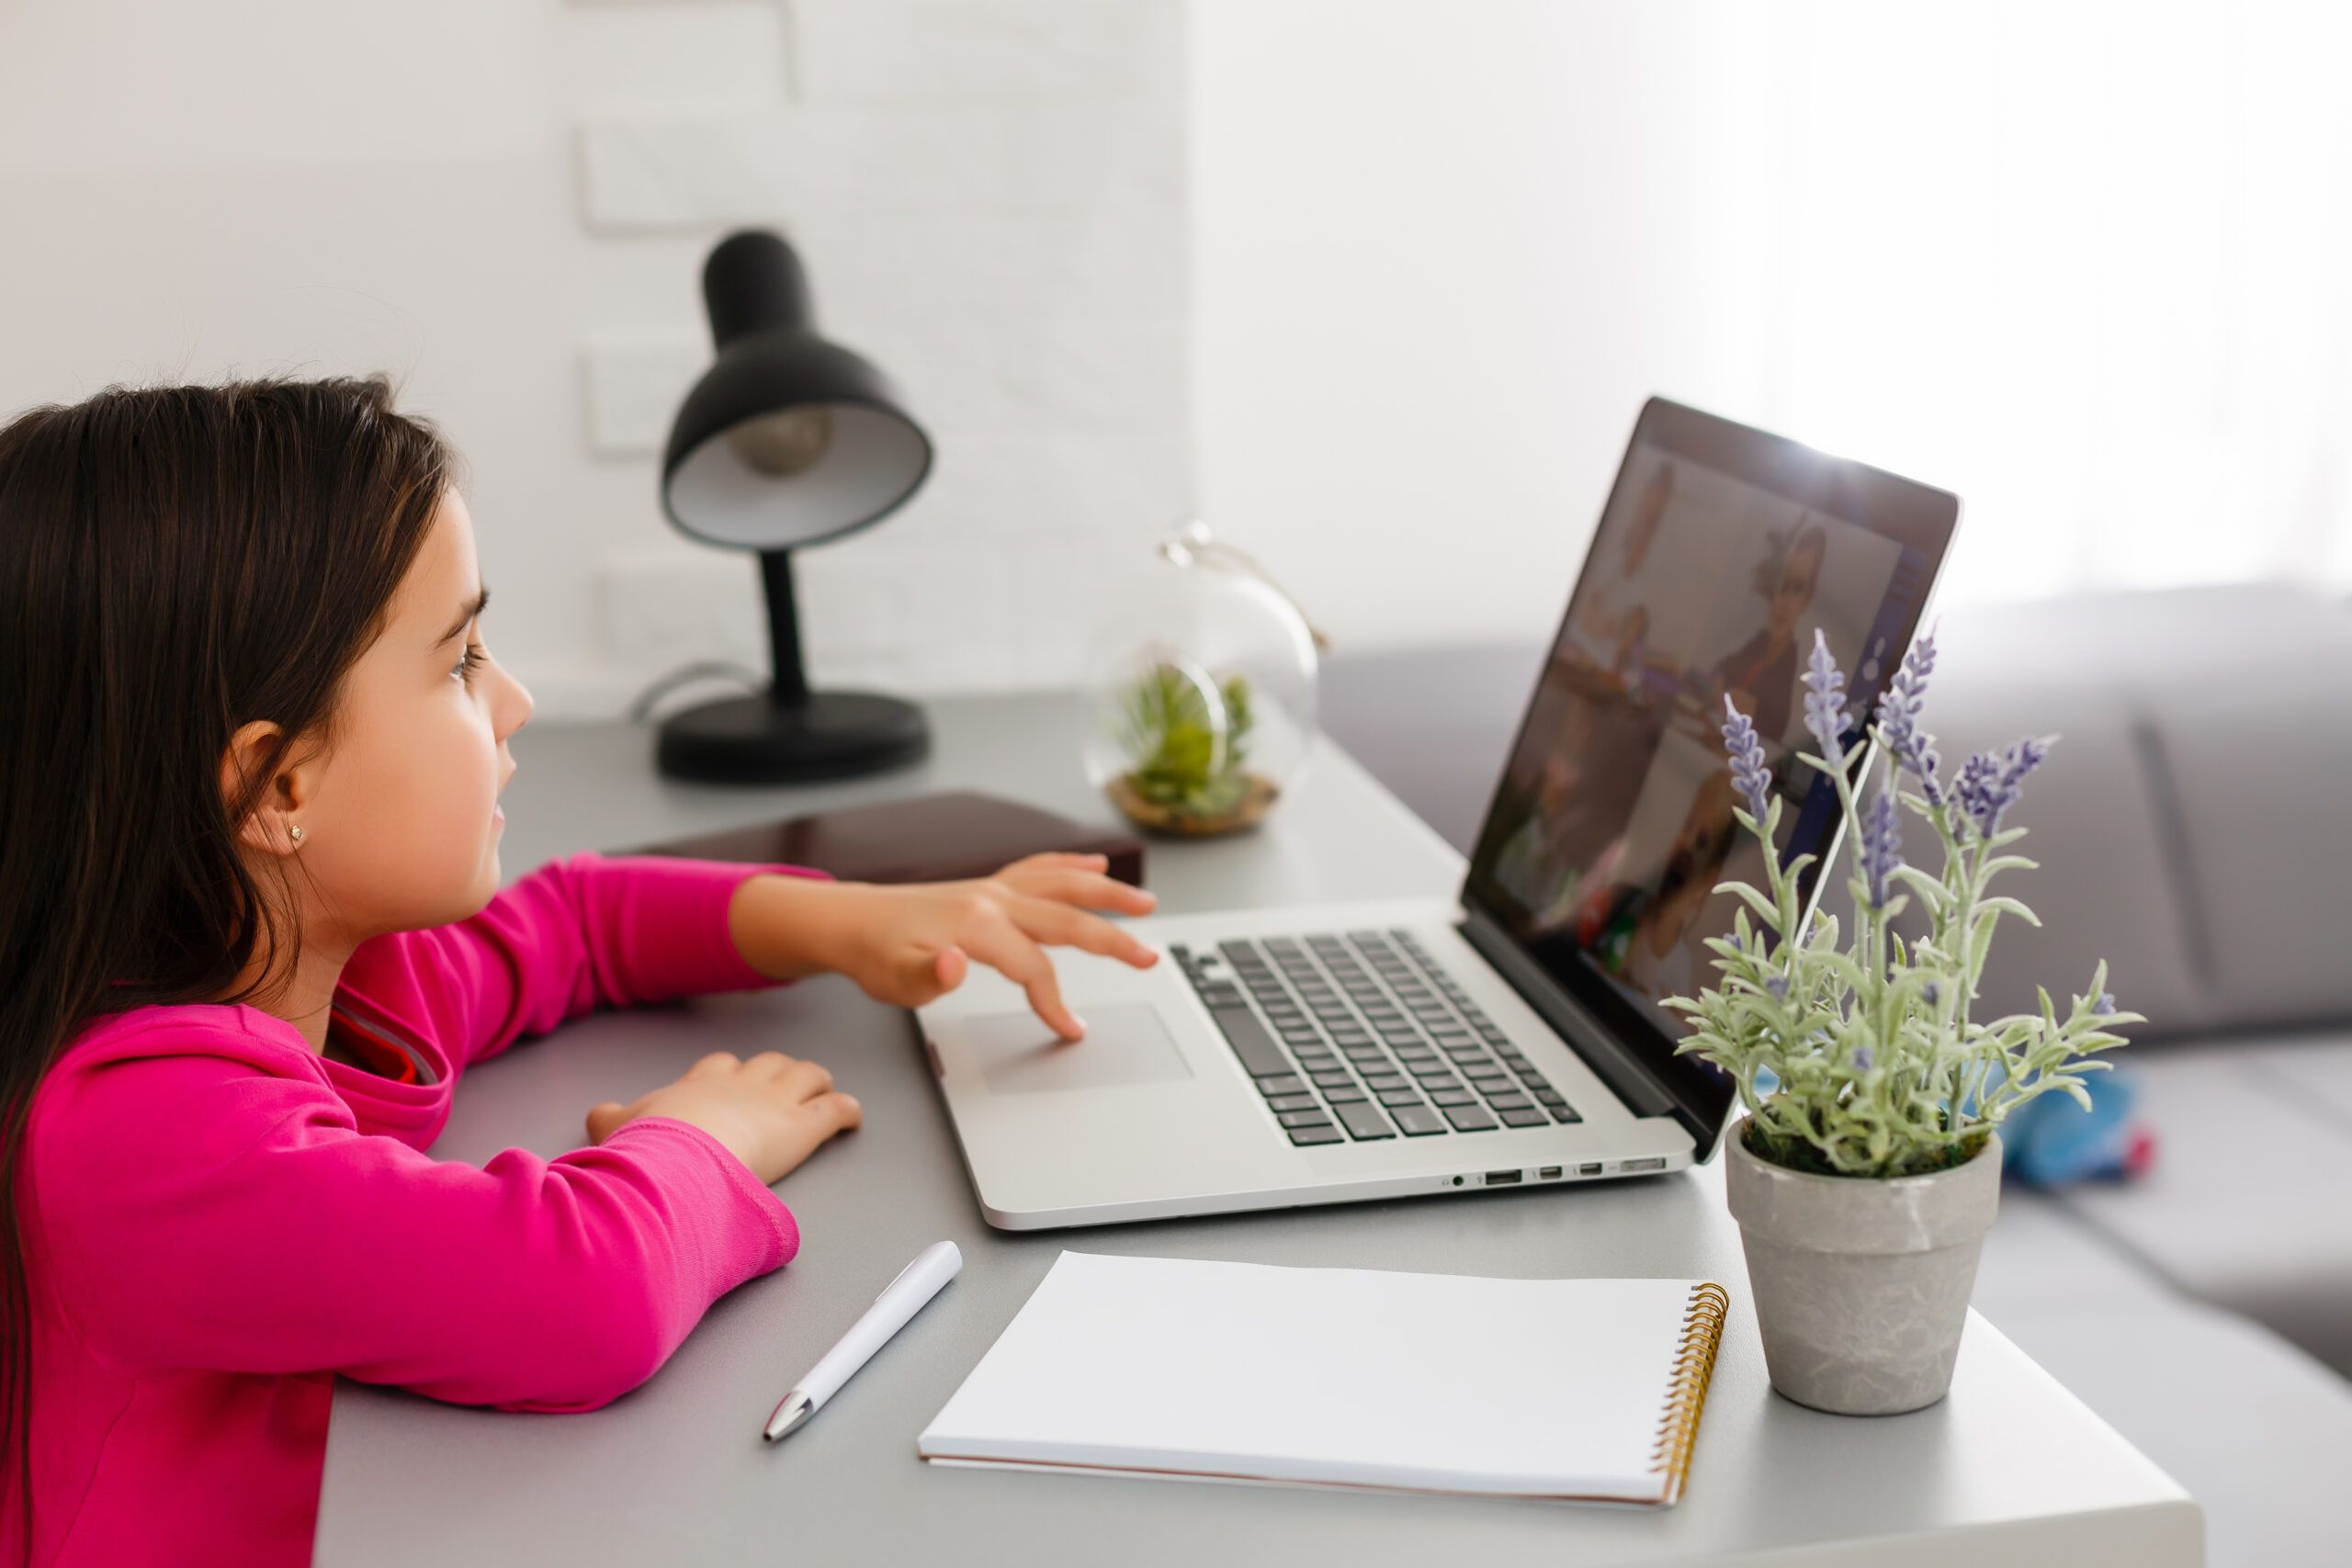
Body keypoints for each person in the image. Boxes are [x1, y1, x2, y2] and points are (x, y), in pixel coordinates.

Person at [0, 379, 1160, 1568]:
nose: (515, 700)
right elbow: (582, 1295)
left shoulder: (340, 976)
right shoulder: (138, 1136)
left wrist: (850, 922)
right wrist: (701, 1132)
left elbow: (578, 920)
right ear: (278, 786)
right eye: (458, 660)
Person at [1706, 518, 1826, 750]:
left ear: (1808, 598)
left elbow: (1784, 732)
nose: (1784, 602)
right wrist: (1718, 682)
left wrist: (1756, 714)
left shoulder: (1799, 668)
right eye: (1781, 585)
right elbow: (1721, 670)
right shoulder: (1758, 642)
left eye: (1797, 588)